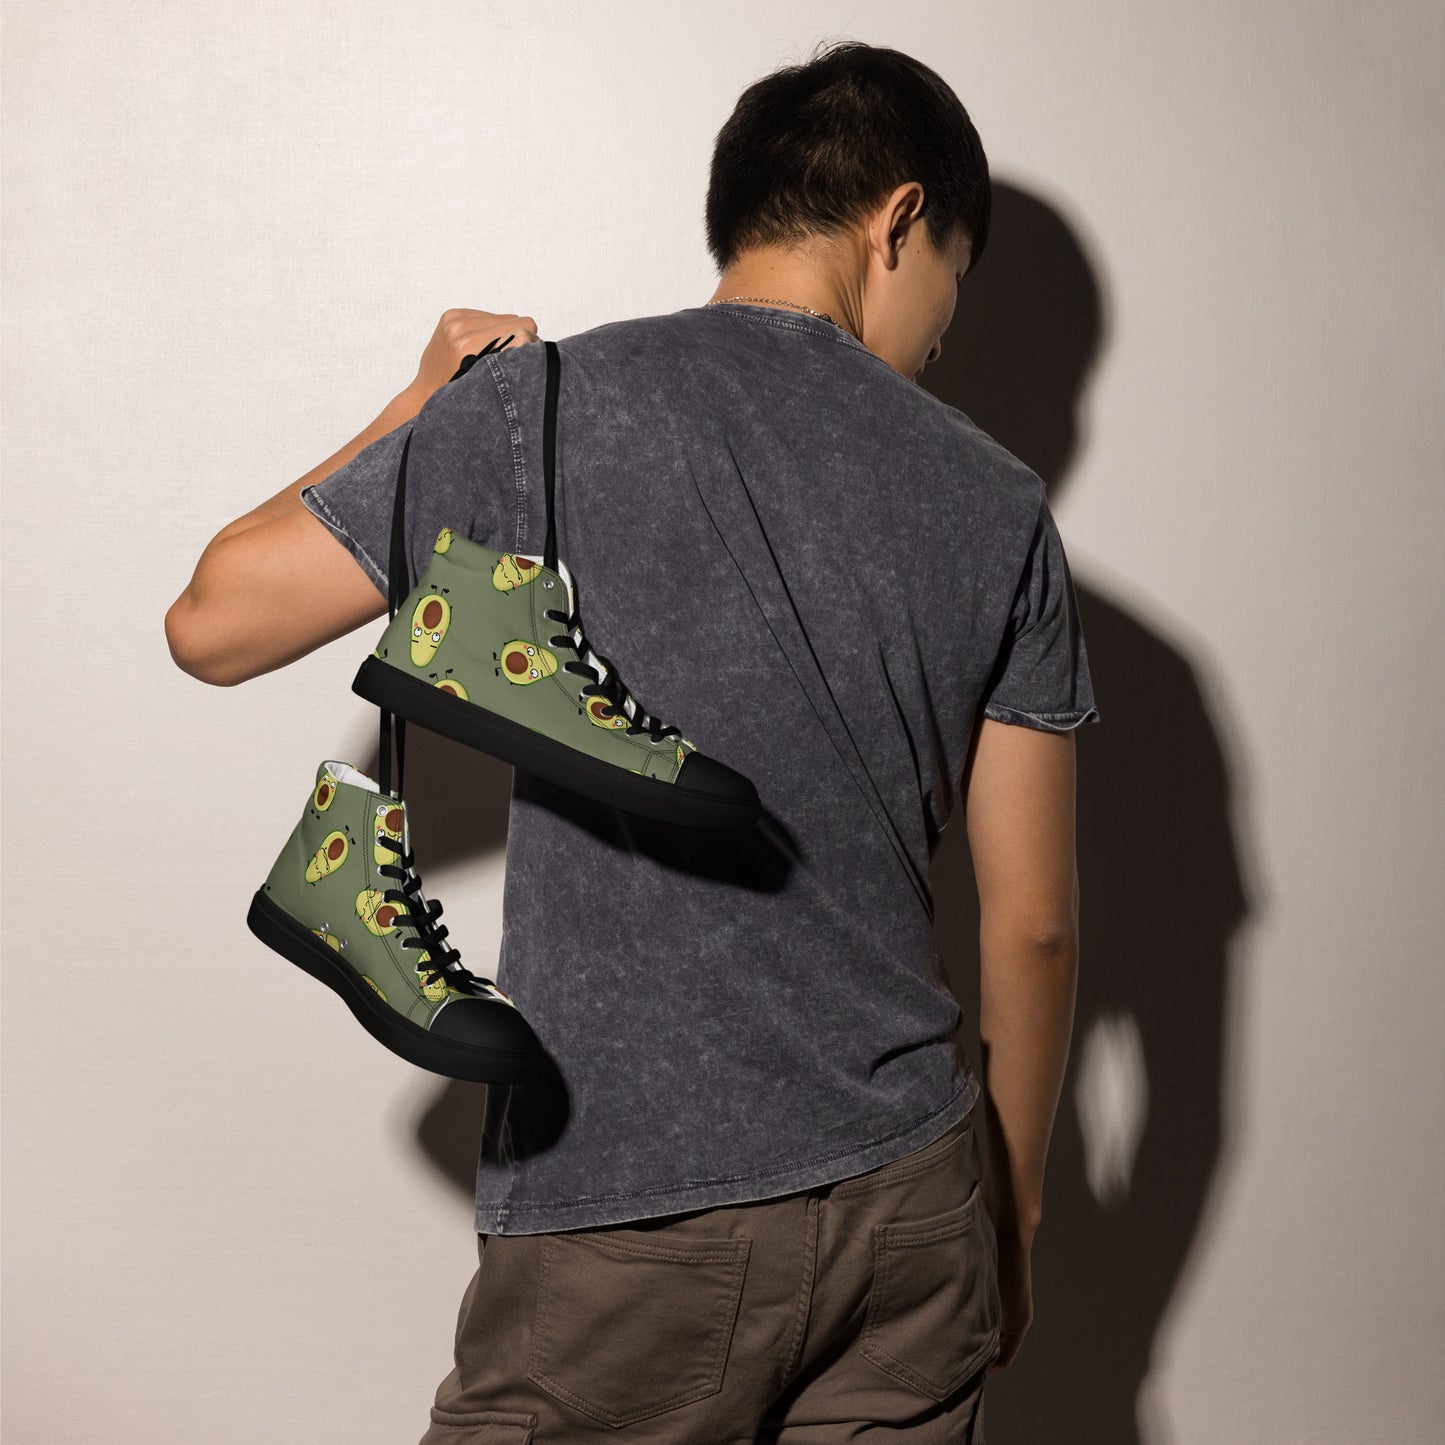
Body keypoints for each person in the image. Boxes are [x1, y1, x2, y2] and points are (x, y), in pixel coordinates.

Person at [166, 37, 1098, 1444]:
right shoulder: (997, 502)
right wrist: (1008, 1211)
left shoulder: (537, 411)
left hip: (625, 1205)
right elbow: (1032, 924)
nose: (938, 335)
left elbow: (214, 623)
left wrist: (420, 410)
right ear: (898, 221)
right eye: (951, 285)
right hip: (908, 1199)